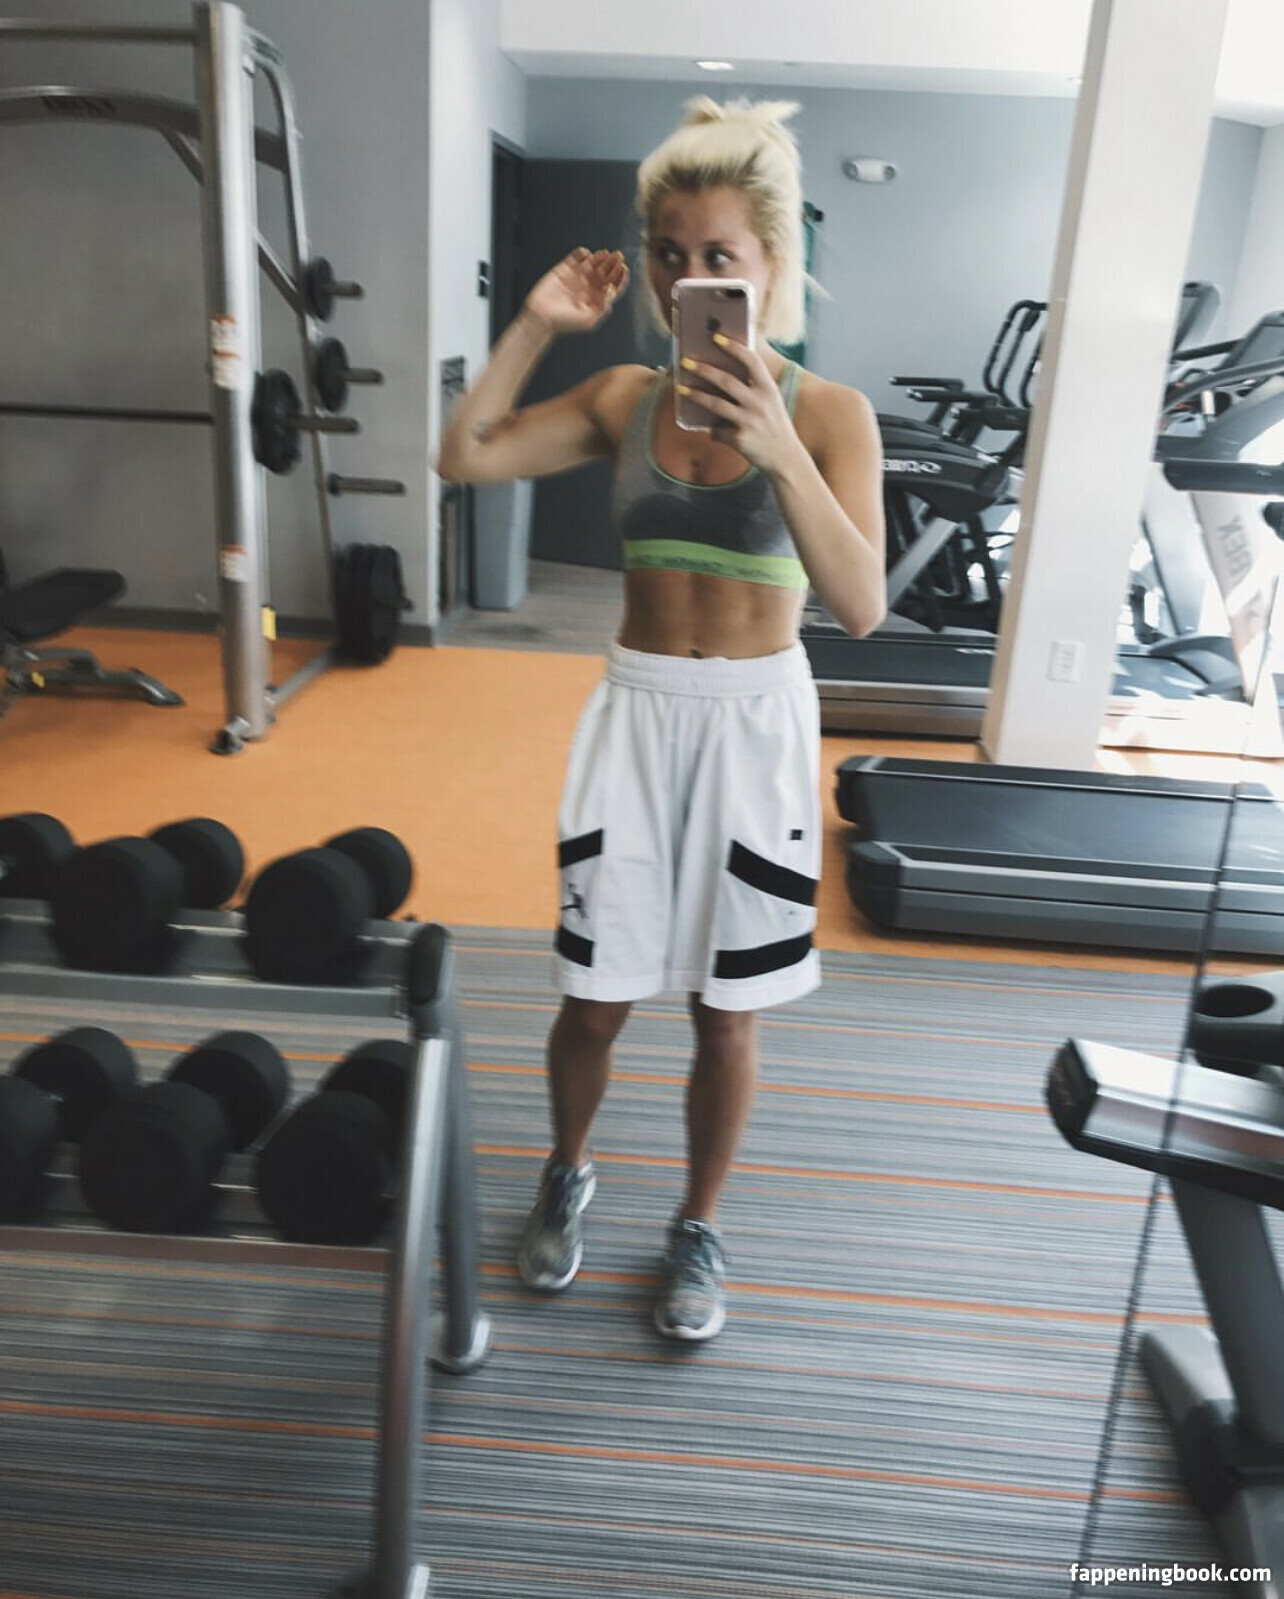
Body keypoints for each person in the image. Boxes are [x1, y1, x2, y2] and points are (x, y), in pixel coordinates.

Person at [437, 97, 885, 1342]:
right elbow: (464, 455)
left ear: (771, 265)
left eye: (719, 257)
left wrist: (778, 448)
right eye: (670, 255)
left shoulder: (831, 415)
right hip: (636, 717)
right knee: (593, 996)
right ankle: (567, 1169)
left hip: (755, 725)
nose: (692, 280)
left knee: (725, 1013)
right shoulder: (621, 396)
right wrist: (536, 322)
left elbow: (859, 605)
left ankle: (698, 1222)